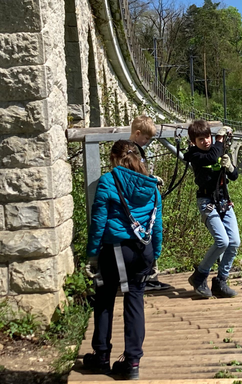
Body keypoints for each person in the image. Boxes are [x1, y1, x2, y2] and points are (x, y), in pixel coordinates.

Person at [83, 140, 162, 380]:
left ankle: (102, 357)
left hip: (117, 249)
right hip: (142, 250)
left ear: (114, 159)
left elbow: (98, 222)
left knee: (105, 299)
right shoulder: (152, 185)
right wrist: (155, 254)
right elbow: (157, 224)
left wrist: (92, 255)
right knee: (135, 300)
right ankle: (132, 362)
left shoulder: (108, 181)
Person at [183, 120, 240, 298]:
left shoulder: (217, 150)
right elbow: (210, 157)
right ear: (193, 142)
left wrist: (229, 167)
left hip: (223, 200)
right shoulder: (195, 155)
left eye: (207, 137)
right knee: (222, 241)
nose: (206, 141)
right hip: (207, 200)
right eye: (201, 139)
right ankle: (200, 275)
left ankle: (221, 280)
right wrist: (220, 139)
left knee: (234, 242)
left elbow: (235, 176)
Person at [129, 115, 171, 291]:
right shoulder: (132, 152)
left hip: (145, 202)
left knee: (150, 237)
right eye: (146, 138)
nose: (147, 142)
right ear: (138, 133)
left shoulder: (135, 150)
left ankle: (150, 277)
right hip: (141, 206)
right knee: (147, 238)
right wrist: (151, 180)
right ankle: (148, 279)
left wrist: (150, 179)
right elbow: (135, 178)